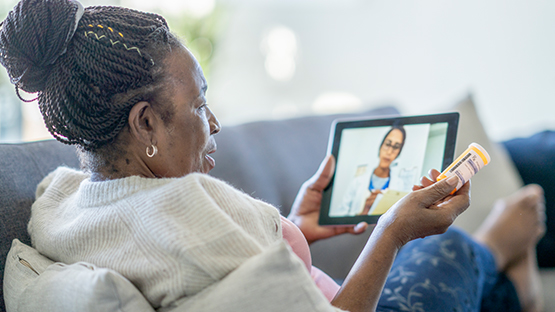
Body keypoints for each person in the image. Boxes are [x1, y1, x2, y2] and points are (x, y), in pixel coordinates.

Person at [0, 0, 546, 311]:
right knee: (445, 251)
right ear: (145, 122)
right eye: (198, 103)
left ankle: (513, 282)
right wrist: (393, 233)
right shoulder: (186, 212)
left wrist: (297, 231)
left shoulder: (64, 202)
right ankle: (503, 248)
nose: (213, 124)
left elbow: (233, 281)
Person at [339, 125, 407, 216]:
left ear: (399, 152)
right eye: (387, 144)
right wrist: (364, 211)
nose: (389, 152)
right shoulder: (357, 182)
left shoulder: (400, 185)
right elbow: (340, 217)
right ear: (381, 146)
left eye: (396, 147)